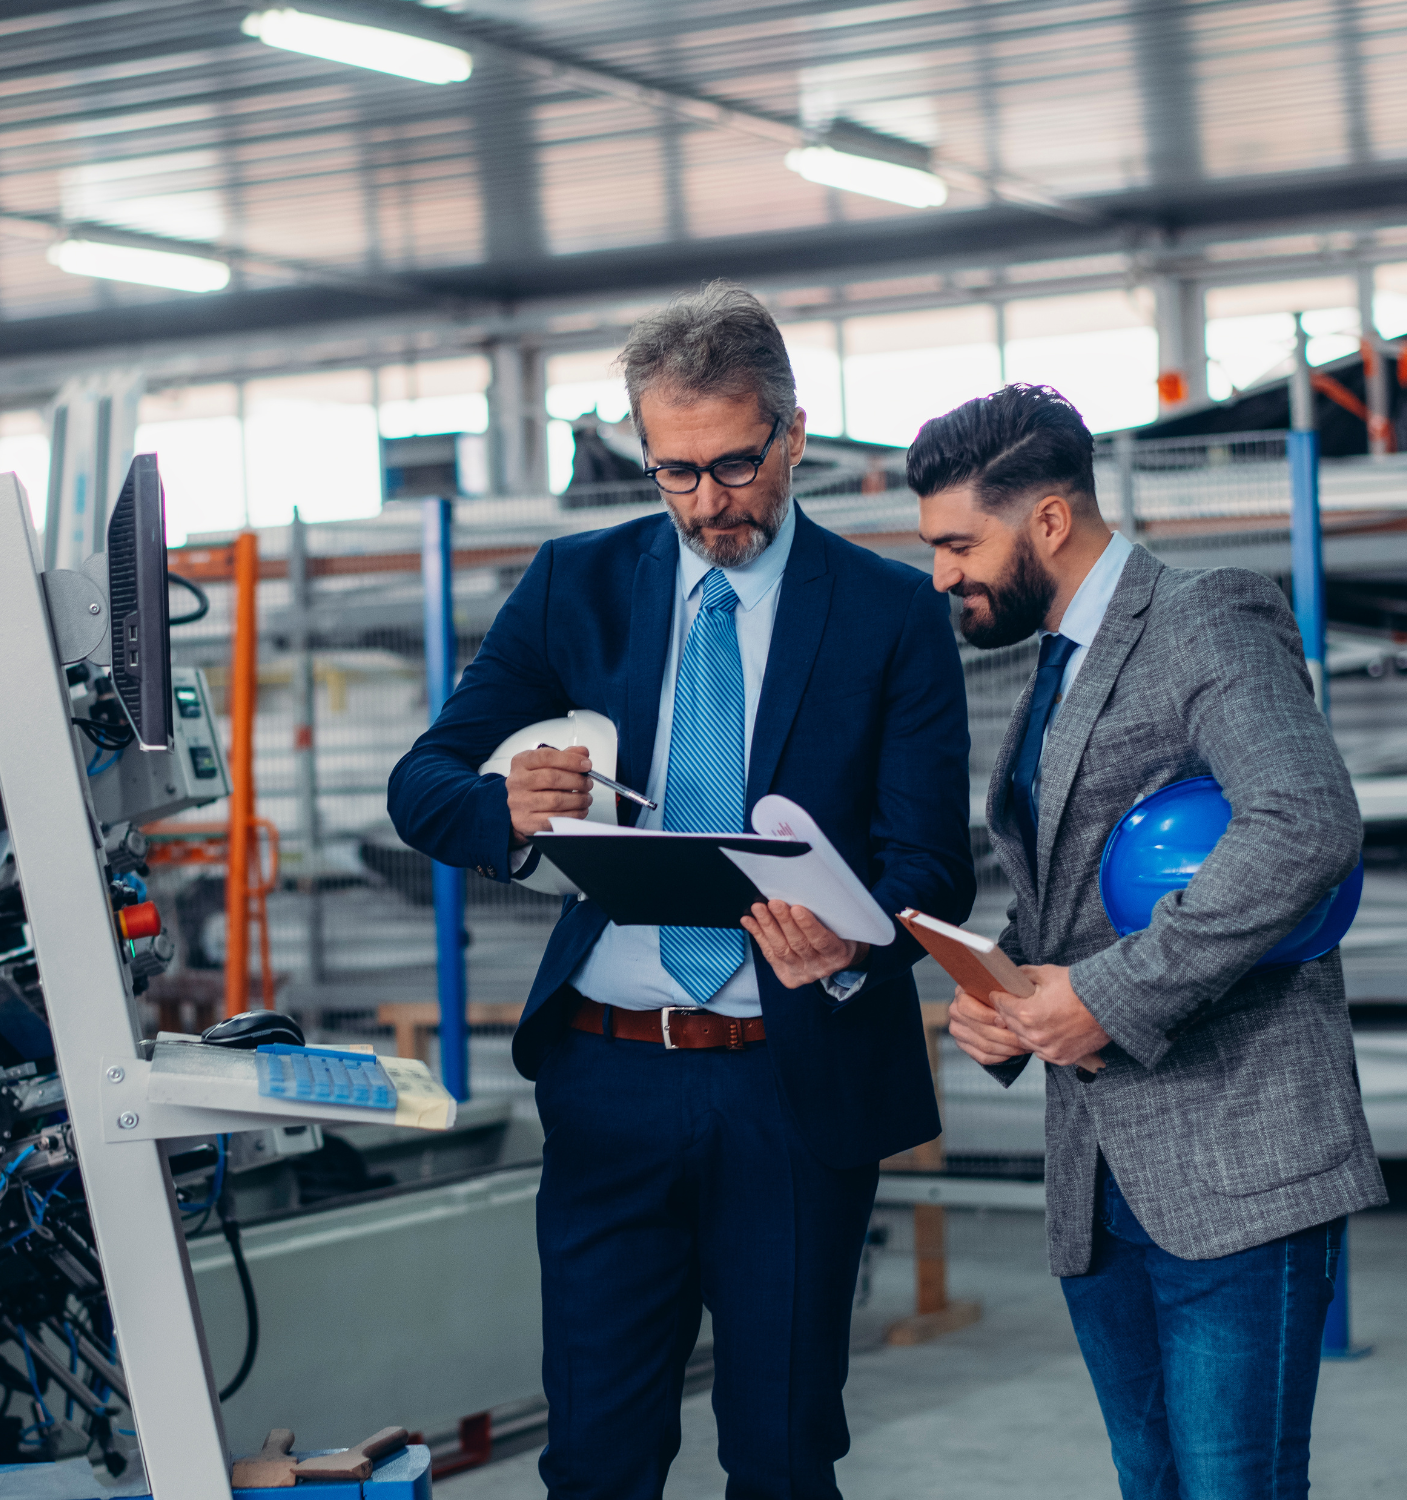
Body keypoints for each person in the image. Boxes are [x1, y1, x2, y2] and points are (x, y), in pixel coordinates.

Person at [388, 282, 974, 1500]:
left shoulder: (887, 617)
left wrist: (852, 946)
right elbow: (420, 784)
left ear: (794, 435)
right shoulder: (573, 586)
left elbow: (930, 862)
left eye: (736, 466)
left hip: (793, 1080)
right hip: (609, 1081)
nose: (710, 506)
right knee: (596, 1459)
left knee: (780, 1451)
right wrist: (504, 806)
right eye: (674, 474)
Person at [913, 385, 1385, 1499]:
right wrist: (1003, 992)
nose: (940, 576)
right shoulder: (1055, 665)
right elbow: (1073, 896)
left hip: (1236, 1156)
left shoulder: (1207, 616)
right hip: (1098, 1172)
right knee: (1152, 1481)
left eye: (954, 544)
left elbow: (1304, 821)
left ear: (1045, 522)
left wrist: (1106, 998)